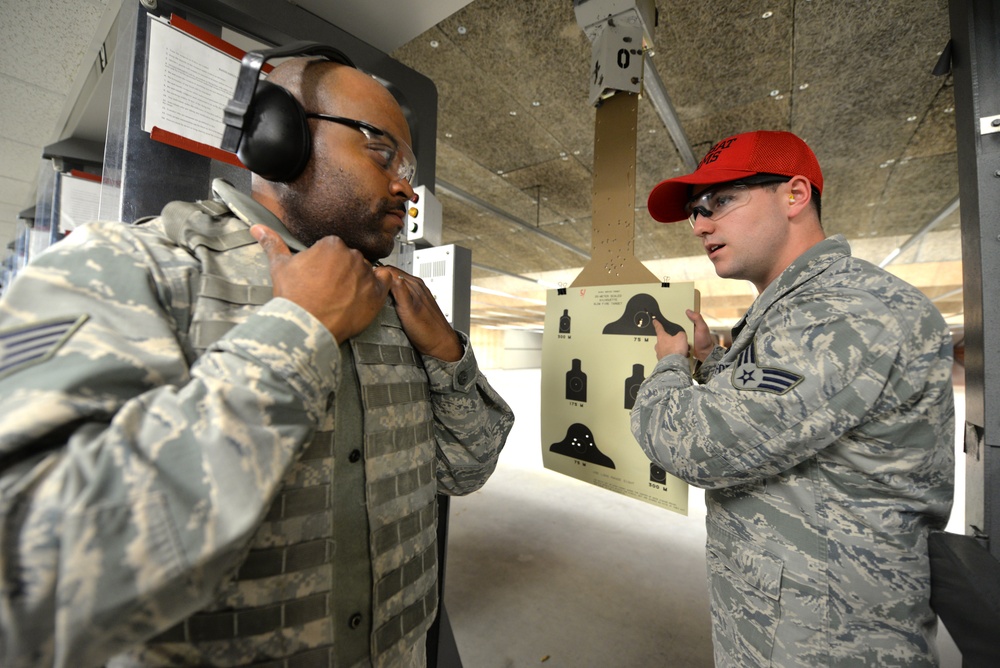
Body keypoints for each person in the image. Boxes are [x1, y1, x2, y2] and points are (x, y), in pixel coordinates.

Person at [0, 54, 514, 668]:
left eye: (409, 168)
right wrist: (297, 333)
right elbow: (26, 584)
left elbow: (467, 470)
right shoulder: (131, 268)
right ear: (280, 138)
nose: (406, 186)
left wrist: (447, 354)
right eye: (381, 152)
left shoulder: (399, 302)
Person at [631, 130, 954, 667]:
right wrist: (712, 364)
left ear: (795, 196)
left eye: (721, 201)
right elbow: (781, 413)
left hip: (828, 640)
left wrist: (668, 365)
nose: (701, 225)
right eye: (696, 212)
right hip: (790, 623)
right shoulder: (793, 309)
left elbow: (692, 445)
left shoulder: (842, 311)